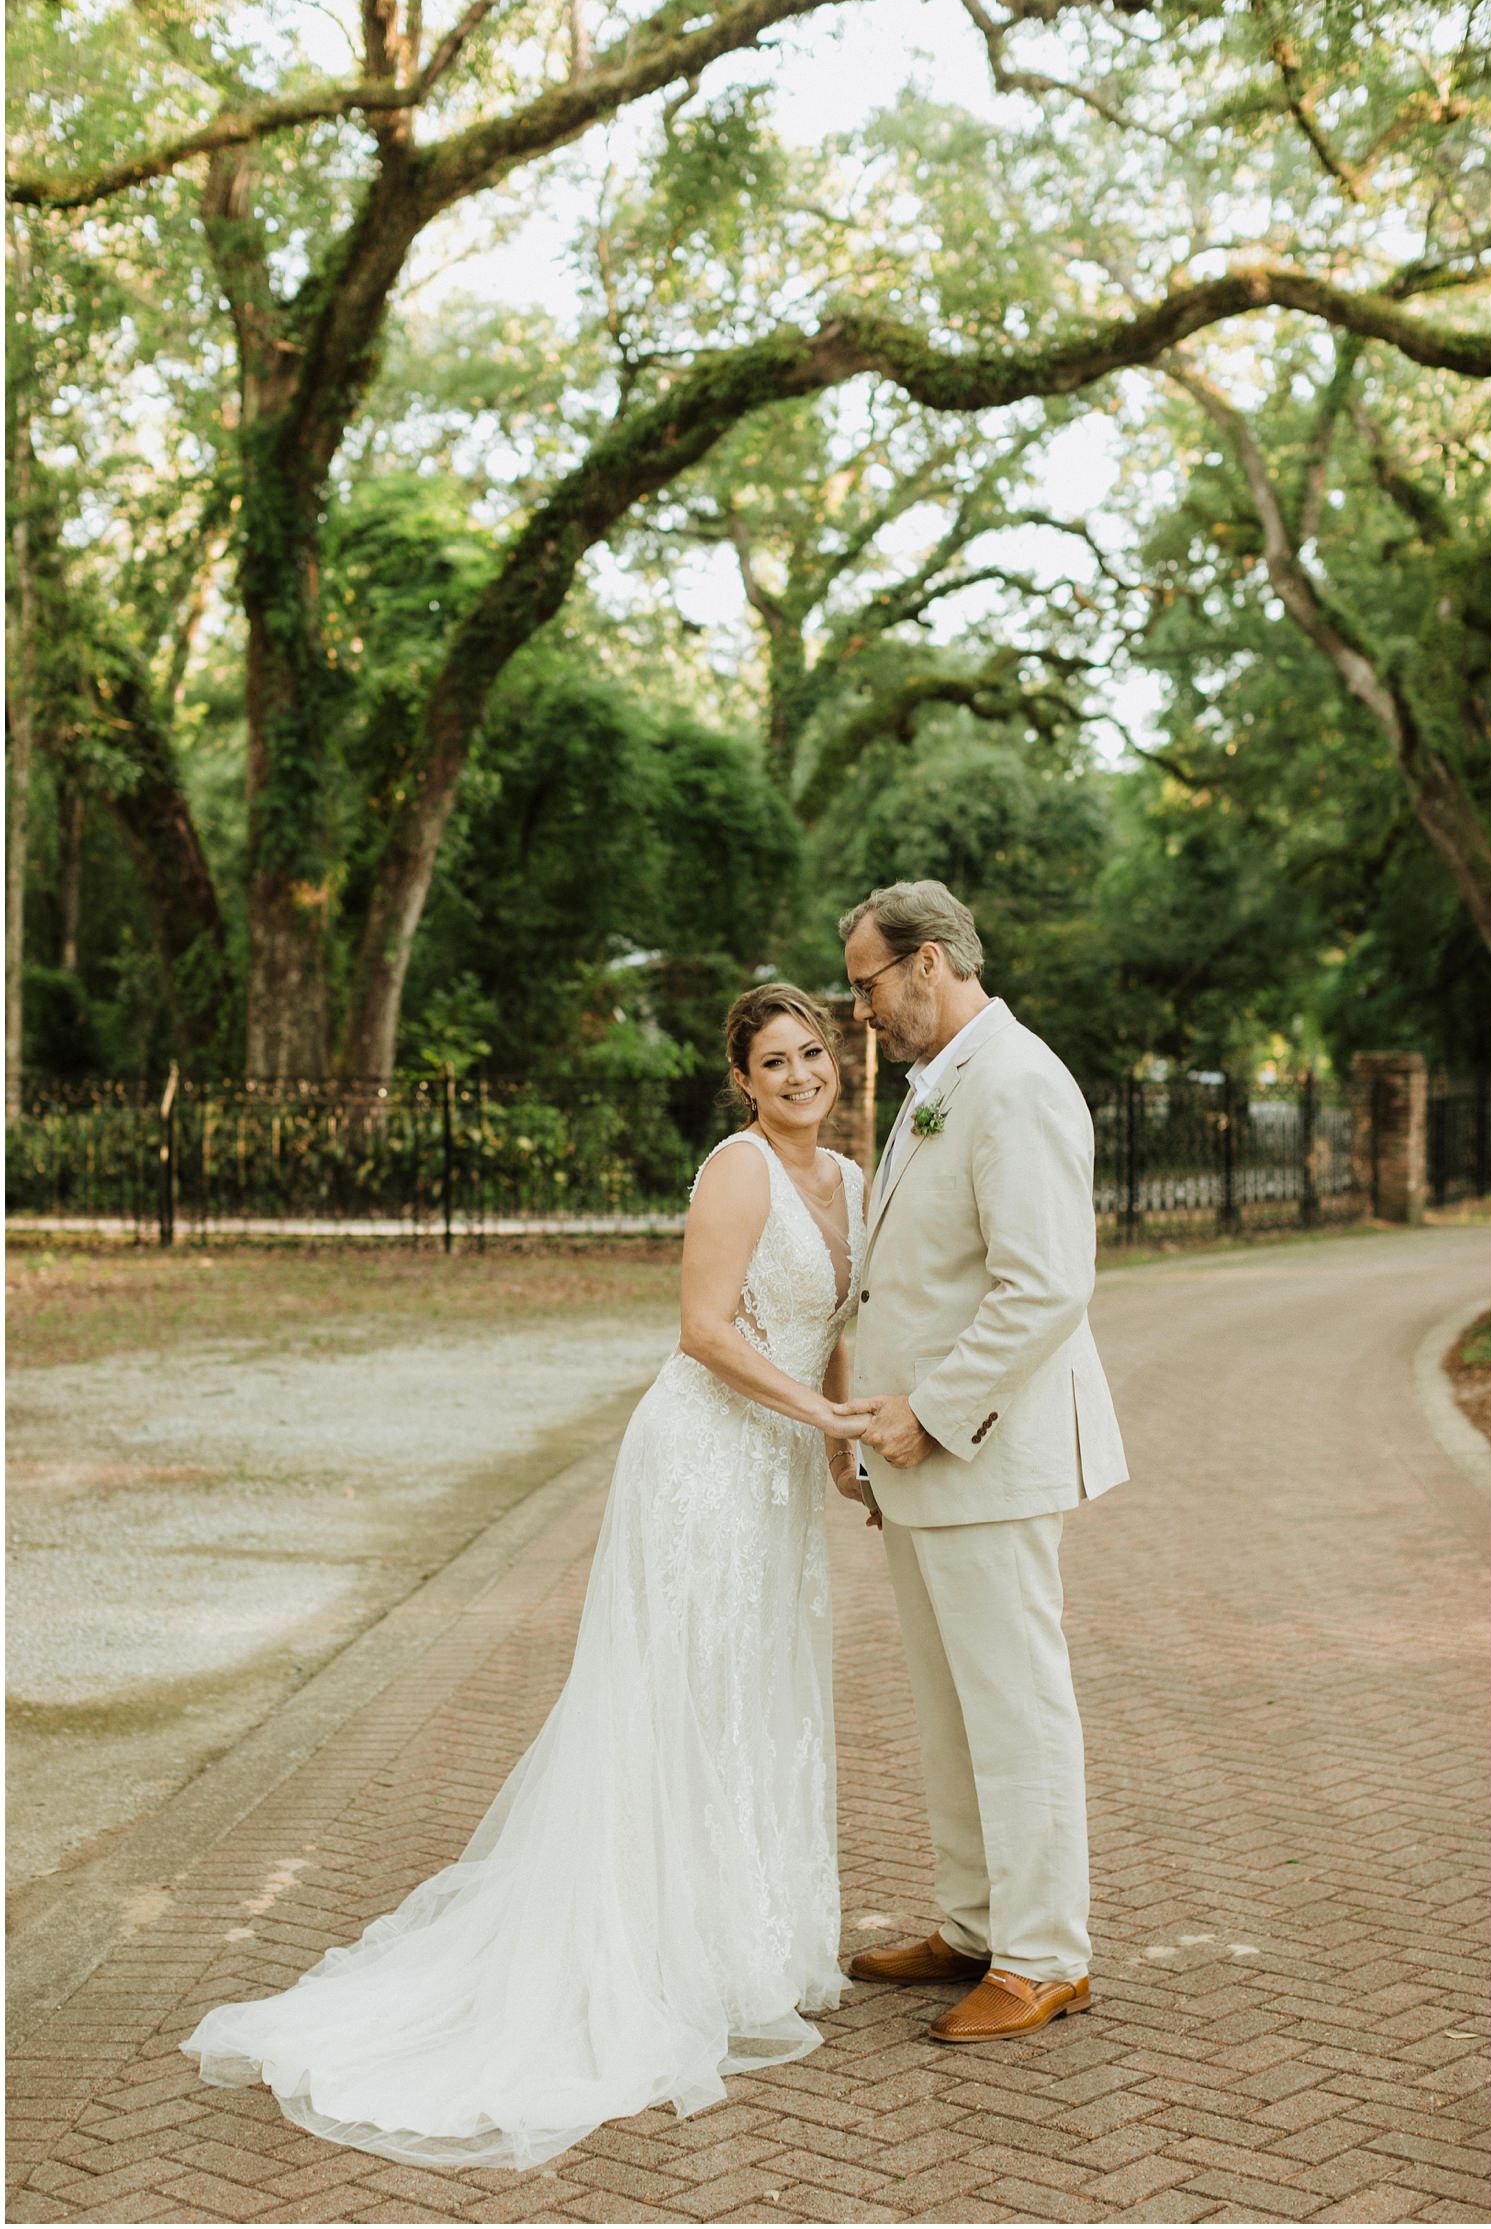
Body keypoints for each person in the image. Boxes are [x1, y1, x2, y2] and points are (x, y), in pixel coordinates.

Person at [181, 983, 869, 2170]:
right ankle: (660, 1954)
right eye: (775, 1060)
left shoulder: (853, 1182)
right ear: (742, 1080)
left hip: (779, 1475)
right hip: (703, 1462)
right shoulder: (738, 1169)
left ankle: (748, 1943)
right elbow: (707, 1329)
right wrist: (821, 1411)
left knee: (759, 1689)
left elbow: (836, 1321)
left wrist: (840, 1448)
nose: (802, 1074)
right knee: (680, 1695)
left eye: (814, 1052)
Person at [833, 879, 1128, 2042]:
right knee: (948, 1706)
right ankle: (972, 1923)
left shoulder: (1016, 1082)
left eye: (866, 984)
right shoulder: (935, 1086)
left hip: (985, 1451)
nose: (859, 1009)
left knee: (1015, 1705)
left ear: (929, 962)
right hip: (922, 1459)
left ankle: (1048, 1953)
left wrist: (931, 1415)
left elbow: (1046, 1285)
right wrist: (878, 1434)